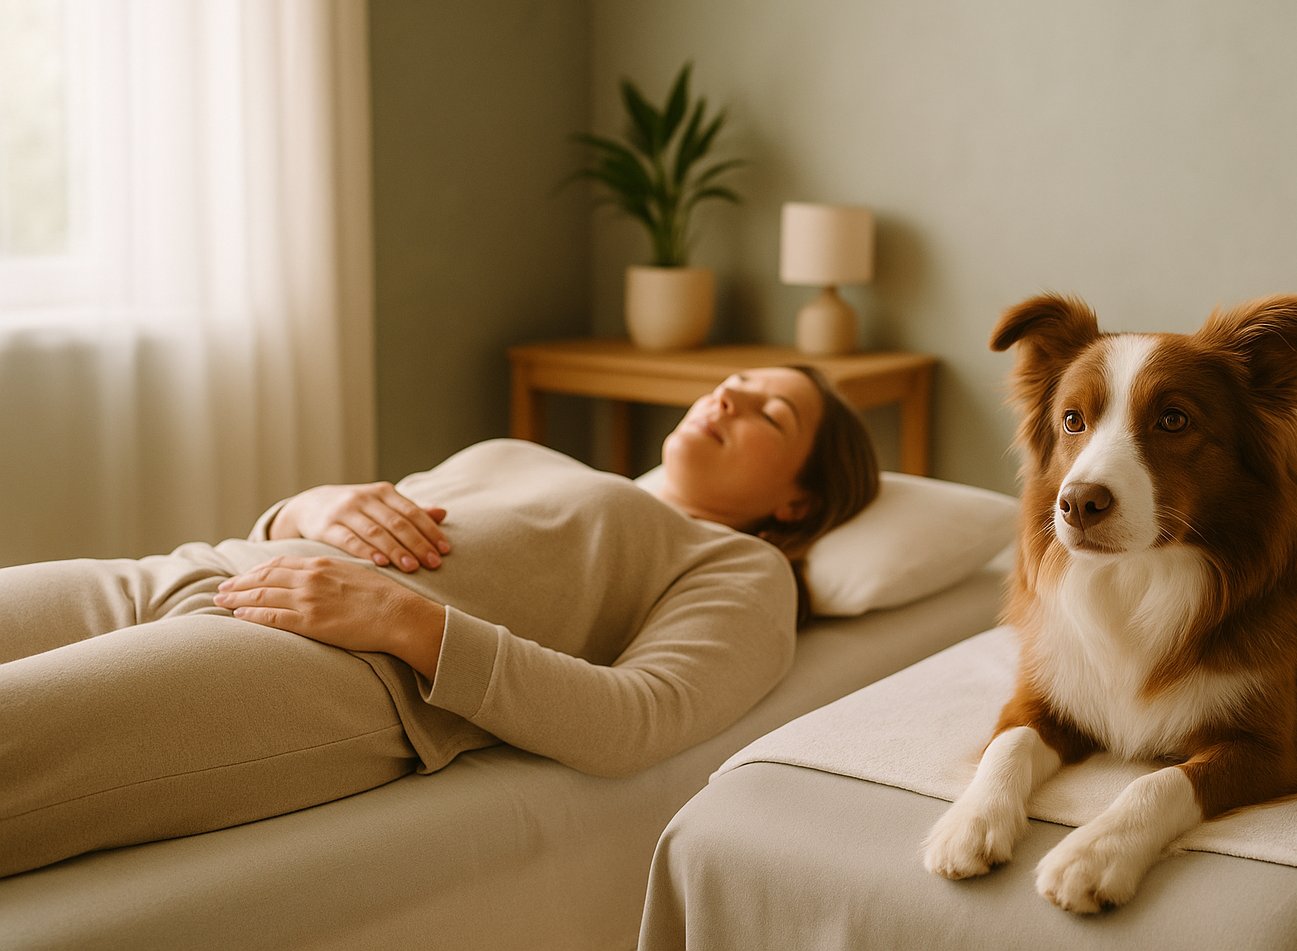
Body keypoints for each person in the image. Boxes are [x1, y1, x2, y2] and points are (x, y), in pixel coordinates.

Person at [0, 365, 879, 878]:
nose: (728, 399)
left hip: (323, 661)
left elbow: (636, 718)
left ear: (798, 498)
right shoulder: (517, 451)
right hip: (199, 566)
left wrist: (410, 623)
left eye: (772, 413)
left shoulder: (739, 566)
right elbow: (377, 518)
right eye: (733, 384)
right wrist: (308, 507)